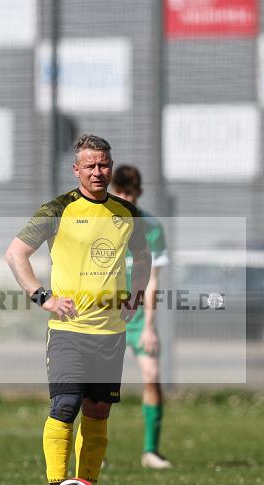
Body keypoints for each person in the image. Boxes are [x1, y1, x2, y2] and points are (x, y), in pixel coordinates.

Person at [4, 134, 151, 485]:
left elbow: (144, 255)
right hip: (68, 331)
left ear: (111, 166)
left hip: (110, 334)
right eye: (90, 166)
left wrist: (136, 294)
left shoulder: (126, 214)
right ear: (76, 170)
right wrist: (43, 297)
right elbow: (15, 253)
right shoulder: (57, 209)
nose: (98, 172)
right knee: (65, 405)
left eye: (104, 165)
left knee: (98, 412)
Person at [110, 165, 173, 469]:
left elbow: (153, 280)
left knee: (152, 376)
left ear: (138, 194)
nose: (124, 197)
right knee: (97, 386)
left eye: (129, 193)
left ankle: (151, 451)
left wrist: (149, 326)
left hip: (136, 320)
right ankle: (96, 452)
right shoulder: (100, 223)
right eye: (119, 192)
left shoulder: (151, 226)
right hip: (105, 316)